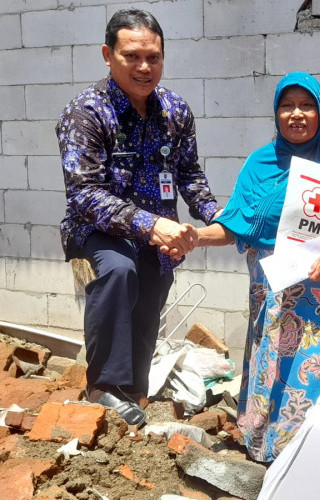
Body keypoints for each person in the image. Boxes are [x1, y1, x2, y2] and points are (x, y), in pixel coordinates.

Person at [194, 72, 320, 462]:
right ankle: (270, 446)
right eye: (287, 105)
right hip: (277, 295)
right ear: (276, 112)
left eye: (306, 105)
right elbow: (233, 223)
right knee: (277, 363)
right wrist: (193, 236)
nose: (296, 114)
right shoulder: (259, 162)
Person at [55, 9, 222, 428]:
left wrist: (220, 216)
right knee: (118, 269)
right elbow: (85, 193)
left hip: (156, 237)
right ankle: (102, 387)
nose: (144, 68)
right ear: (108, 55)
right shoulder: (86, 112)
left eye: (154, 57)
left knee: (152, 288)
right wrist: (150, 224)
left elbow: (189, 173)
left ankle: (134, 392)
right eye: (132, 56)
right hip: (93, 230)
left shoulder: (175, 111)